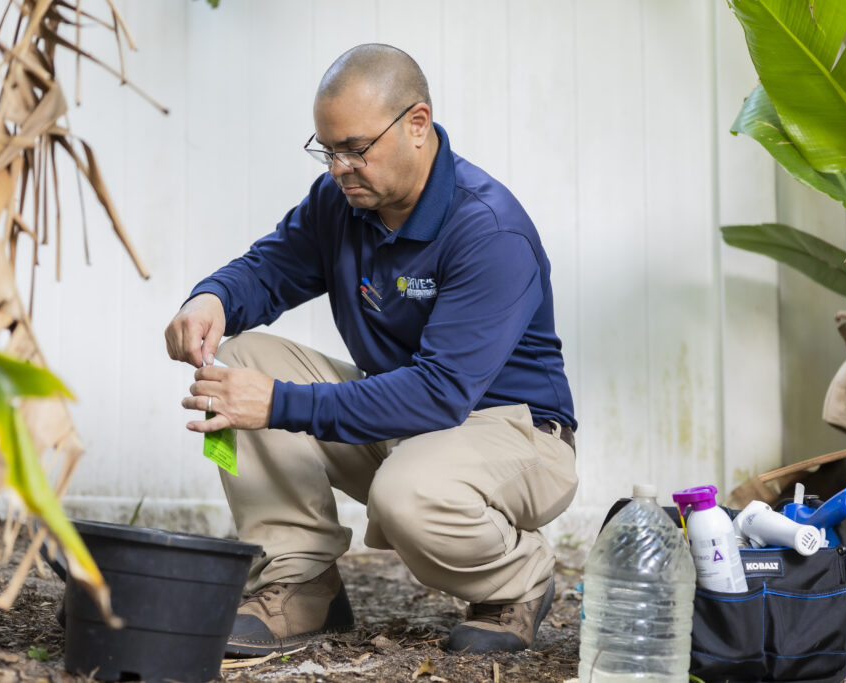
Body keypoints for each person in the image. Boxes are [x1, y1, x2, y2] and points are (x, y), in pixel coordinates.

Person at [164, 43, 578, 656]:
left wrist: (281, 404)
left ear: (417, 124)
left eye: (355, 149)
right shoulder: (343, 201)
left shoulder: (489, 229)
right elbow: (271, 268)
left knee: (406, 492)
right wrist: (213, 299)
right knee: (240, 364)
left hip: (517, 434)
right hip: (410, 424)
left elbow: (440, 393)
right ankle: (300, 581)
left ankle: (518, 577)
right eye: (327, 150)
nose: (338, 168)